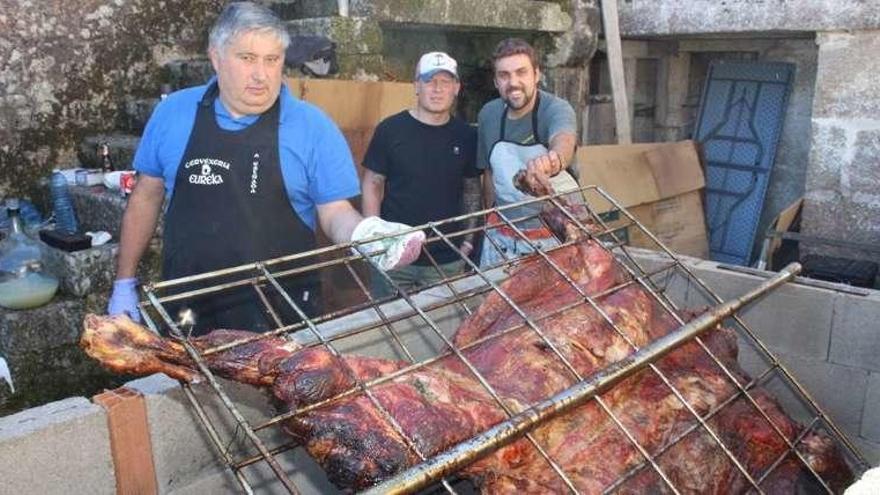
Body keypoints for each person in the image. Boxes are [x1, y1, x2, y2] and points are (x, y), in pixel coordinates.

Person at [106, 2, 422, 335]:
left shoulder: (313, 127)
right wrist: (124, 283)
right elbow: (145, 196)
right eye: (247, 58)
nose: (262, 74)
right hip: (187, 306)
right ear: (216, 57)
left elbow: (334, 212)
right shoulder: (172, 114)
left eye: (272, 60)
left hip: (282, 312)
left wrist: (365, 234)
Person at [361, 51, 481, 296]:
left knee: (441, 327)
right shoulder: (390, 130)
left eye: (445, 81)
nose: (437, 89)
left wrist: (468, 239)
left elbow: (472, 188)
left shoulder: (467, 136)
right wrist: (373, 240)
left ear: (456, 88)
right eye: (429, 80)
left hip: (446, 258)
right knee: (387, 327)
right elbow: (373, 183)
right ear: (416, 86)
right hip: (393, 254)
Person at [476, 37, 580, 267]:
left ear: (536, 74)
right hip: (502, 236)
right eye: (504, 75)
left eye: (521, 72)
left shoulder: (556, 109)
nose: (513, 82)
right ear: (495, 81)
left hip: (555, 237)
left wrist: (551, 161)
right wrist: (487, 219)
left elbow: (564, 139)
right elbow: (488, 175)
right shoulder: (488, 115)